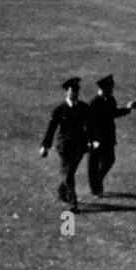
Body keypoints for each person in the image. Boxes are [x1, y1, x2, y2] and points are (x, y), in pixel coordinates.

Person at [40, 77, 90, 210]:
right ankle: (73, 203)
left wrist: (92, 140)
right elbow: (52, 128)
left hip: (80, 146)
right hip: (65, 146)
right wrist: (45, 146)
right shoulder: (60, 109)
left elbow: (91, 126)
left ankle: (62, 192)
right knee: (68, 174)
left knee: (69, 173)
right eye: (72, 91)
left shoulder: (84, 108)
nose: (75, 93)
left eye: (77, 91)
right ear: (67, 92)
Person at [86, 74, 131, 198]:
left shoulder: (111, 100)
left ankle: (96, 183)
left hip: (108, 138)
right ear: (104, 87)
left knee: (109, 161)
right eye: (111, 87)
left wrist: (127, 110)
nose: (112, 89)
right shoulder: (94, 103)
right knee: (93, 165)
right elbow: (88, 124)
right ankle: (96, 190)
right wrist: (91, 140)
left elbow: (113, 113)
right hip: (96, 140)